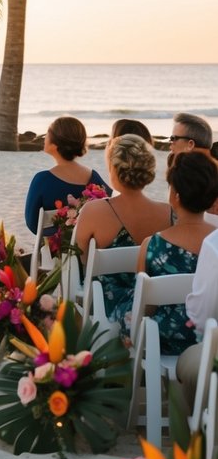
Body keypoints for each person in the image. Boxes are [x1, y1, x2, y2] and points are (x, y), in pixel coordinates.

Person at [75, 132, 172, 327]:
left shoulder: (94, 211)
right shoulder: (169, 213)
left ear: (114, 169)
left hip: (107, 305)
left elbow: (83, 259)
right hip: (157, 306)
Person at [132, 151, 218, 353]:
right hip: (210, 342)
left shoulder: (152, 245)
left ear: (176, 196)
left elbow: (145, 308)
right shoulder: (215, 242)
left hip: (163, 342)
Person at [23, 116, 110, 235]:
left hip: (54, 251)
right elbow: (111, 207)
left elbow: (32, 224)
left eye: (47, 134)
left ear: (55, 145)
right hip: (89, 248)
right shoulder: (94, 177)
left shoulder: (42, 180)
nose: (43, 138)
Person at [175, 226, 218, 406]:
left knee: (194, 367)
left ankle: (197, 429)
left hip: (212, 356)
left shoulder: (214, 244)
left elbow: (202, 319)